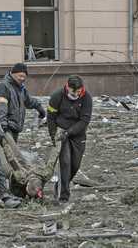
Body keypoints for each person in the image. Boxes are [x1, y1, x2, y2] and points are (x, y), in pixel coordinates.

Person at [47, 75, 93, 203]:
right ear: (67, 87)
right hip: (61, 134)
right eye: (74, 91)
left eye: (79, 91)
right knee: (65, 163)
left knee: (75, 165)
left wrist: (70, 132)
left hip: (78, 134)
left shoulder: (86, 98)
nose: (76, 94)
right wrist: (53, 135)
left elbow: (84, 120)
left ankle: (61, 185)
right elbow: (51, 117)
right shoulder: (57, 96)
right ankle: (63, 196)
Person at [0, 63, 46, 142]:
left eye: (24, 77)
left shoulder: (21, 88)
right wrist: (3, 127)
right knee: (11, 153)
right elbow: (1, 108)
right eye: (20, 76)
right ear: (12, 73)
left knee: (13, 152)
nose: (22, 79)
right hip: (6, 129)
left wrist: (39, 108)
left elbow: (29, 101)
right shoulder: (3, 87)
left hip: (15, 128)